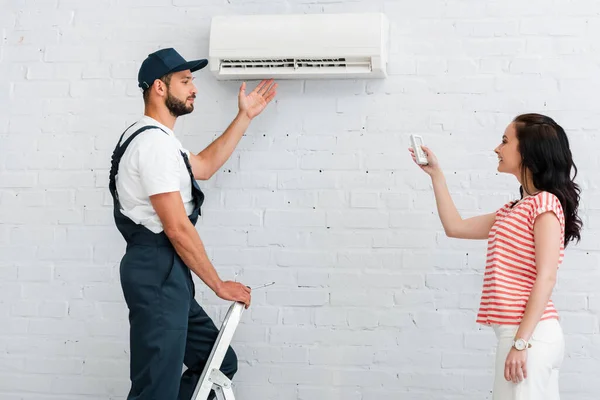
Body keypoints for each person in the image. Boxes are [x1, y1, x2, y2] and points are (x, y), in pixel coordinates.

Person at [108, 48, 277, 400]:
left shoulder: (161, 141)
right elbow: (177, 228)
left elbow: (204, 165)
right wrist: (218, 285)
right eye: (185, 81)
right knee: (156, 389)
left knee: (218, 362)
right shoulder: (152, 144)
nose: (193, 88)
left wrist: (244, 117)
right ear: (159, 87)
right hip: (156, 267)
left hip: (167, 272)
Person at [409, 113, 582, 400]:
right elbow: (456, 227)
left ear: (528, 150)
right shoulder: (513, 210)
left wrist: (521, 343)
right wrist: (436, 175)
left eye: (504, 141)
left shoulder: (546, 204)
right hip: (523, 335)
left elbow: (547, 276)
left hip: (529, 335)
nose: (496, 149)